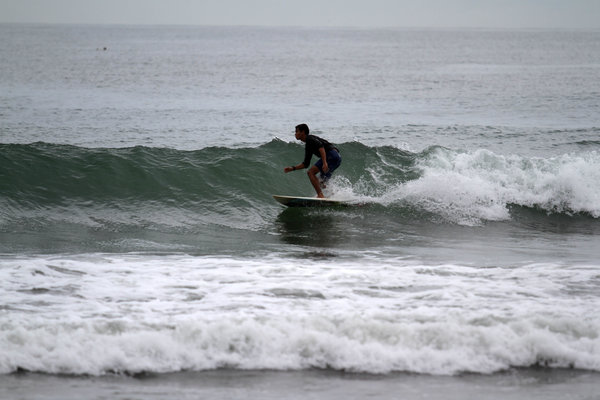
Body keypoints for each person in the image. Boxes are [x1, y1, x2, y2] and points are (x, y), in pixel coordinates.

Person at [284, 124, 342, 198]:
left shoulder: (310, 139)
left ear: (303, 132)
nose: (295, 134)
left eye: (297, 131)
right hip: (337, 158)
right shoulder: (309, 145)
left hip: (331, 155)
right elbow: (306, 164)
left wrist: (324, 163)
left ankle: (320, 195)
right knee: (321, 182)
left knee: (311, 172)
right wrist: (292, 168)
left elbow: (321, 147)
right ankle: (335, 196)